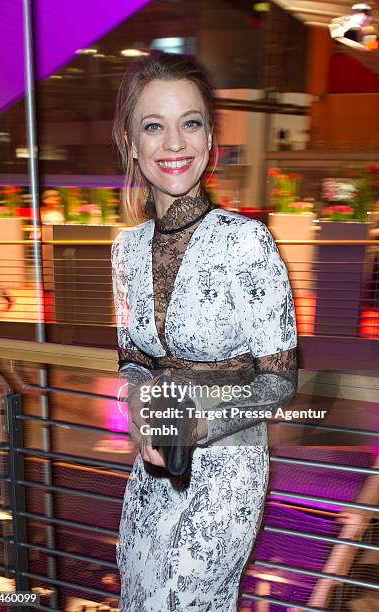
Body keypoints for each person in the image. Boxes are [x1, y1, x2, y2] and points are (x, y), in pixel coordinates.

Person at [111, 50, 298, 611]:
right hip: (152, 465)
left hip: (230, 466)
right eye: (154, 126)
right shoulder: (125, 250)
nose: (174, 143)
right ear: (132, 144)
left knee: (190, 602)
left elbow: (279, 380)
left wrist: (195, 422)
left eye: (189, 123)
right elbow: (130, 359)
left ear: (210, 139)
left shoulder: (248, 242)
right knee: (139, 595)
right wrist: (140, 402)